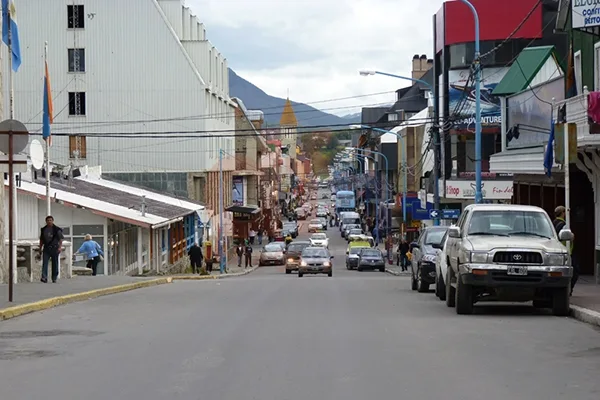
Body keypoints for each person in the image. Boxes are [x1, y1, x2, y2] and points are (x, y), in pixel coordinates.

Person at [553, 206, 578, 295]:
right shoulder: (563, 224)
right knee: (574, 271)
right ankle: (568, 290)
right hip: (566, 251)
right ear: (563, 213)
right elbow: (570, 237)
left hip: (558, 251)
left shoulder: (552, 223)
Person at [39, 215, 64, 283]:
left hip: (55, 248)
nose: (49, 221)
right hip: (46, 248)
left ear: (53, 221)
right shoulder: (43, 229)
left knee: (55, 263)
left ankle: (54, 277)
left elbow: (60, 239)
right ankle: (44, 277)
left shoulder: (57, 229)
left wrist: (59, 247)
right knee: (45, 263)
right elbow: (41, 240)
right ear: (46, 221)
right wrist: (40, 248)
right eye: (48, 220)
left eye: (50, 220)